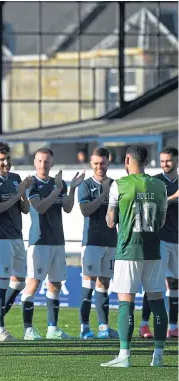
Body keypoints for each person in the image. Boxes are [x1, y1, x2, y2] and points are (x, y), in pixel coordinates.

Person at [101, 145, 168, 368]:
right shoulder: (160, 186)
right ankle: (158, 355)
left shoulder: (118, 185)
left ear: (128, 159)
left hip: (128, 250)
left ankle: (124, 355)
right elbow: (162, 222)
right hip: (153, 251)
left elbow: (111, 220)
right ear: (147, 161)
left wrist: (114, 219)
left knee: (125, 302)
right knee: (158, 302)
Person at [20, 147, 84, 340]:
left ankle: (52, 328)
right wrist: (57, 189)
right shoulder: (32, 183)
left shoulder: (59, 184)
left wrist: (71, 187)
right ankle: (28, 329)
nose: (43, 165)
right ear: (34, 163)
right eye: (40, 161)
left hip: (57, 240)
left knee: (55, 284)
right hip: (39, 241)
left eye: (47, 161)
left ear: (52, 163)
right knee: (33, 284)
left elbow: (68, 207)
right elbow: (39, 208)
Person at [0, 142, 31, 341]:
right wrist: (19, 193)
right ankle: (0, 330)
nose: (6, 163)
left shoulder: (16, 178)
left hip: (16, 236)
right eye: (2, 159)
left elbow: (25, 209)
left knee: (19, 282)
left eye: (8, 158)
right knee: (2, 282)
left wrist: (23, 194)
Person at [77, 147, 119, 339]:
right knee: (89, 284)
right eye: (95, 163)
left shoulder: (116, 185)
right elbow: (85, 211)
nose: (99, 167)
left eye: (102, 163)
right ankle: (84, 327)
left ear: (108, 163)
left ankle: (103, 327)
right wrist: (103, 194)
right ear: (91, 164)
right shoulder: (86, 185)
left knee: (104, 284)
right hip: (92, 242)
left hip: (110, 241)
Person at [139, 147, 178, 339]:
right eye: (162, 161)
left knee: (175, 283)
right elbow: (153, 207)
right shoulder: (156, 182)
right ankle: (144, 324)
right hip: (160, 239)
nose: (165, 164)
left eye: (169, 161)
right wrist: (174, 197)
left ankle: (173, 326)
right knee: (155, 283)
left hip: (177, 240)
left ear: (176, 161)